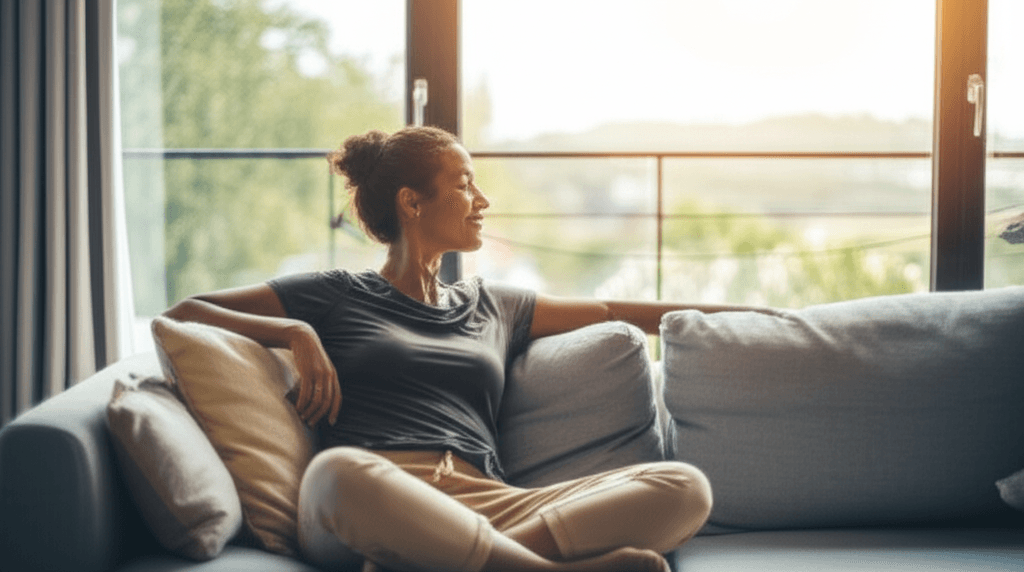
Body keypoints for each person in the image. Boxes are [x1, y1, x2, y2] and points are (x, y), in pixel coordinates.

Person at [163, 126, 734, 572]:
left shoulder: (495, 305)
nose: (481, 199)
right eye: (464, 183)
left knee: (683, 487)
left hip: (483, 500)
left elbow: (614, 313)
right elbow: (185, 313)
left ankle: (451, 562)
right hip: (377, 497)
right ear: (412, 203)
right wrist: (295, 333)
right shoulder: (334, 293)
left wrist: (759, 318)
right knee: (334, 472)